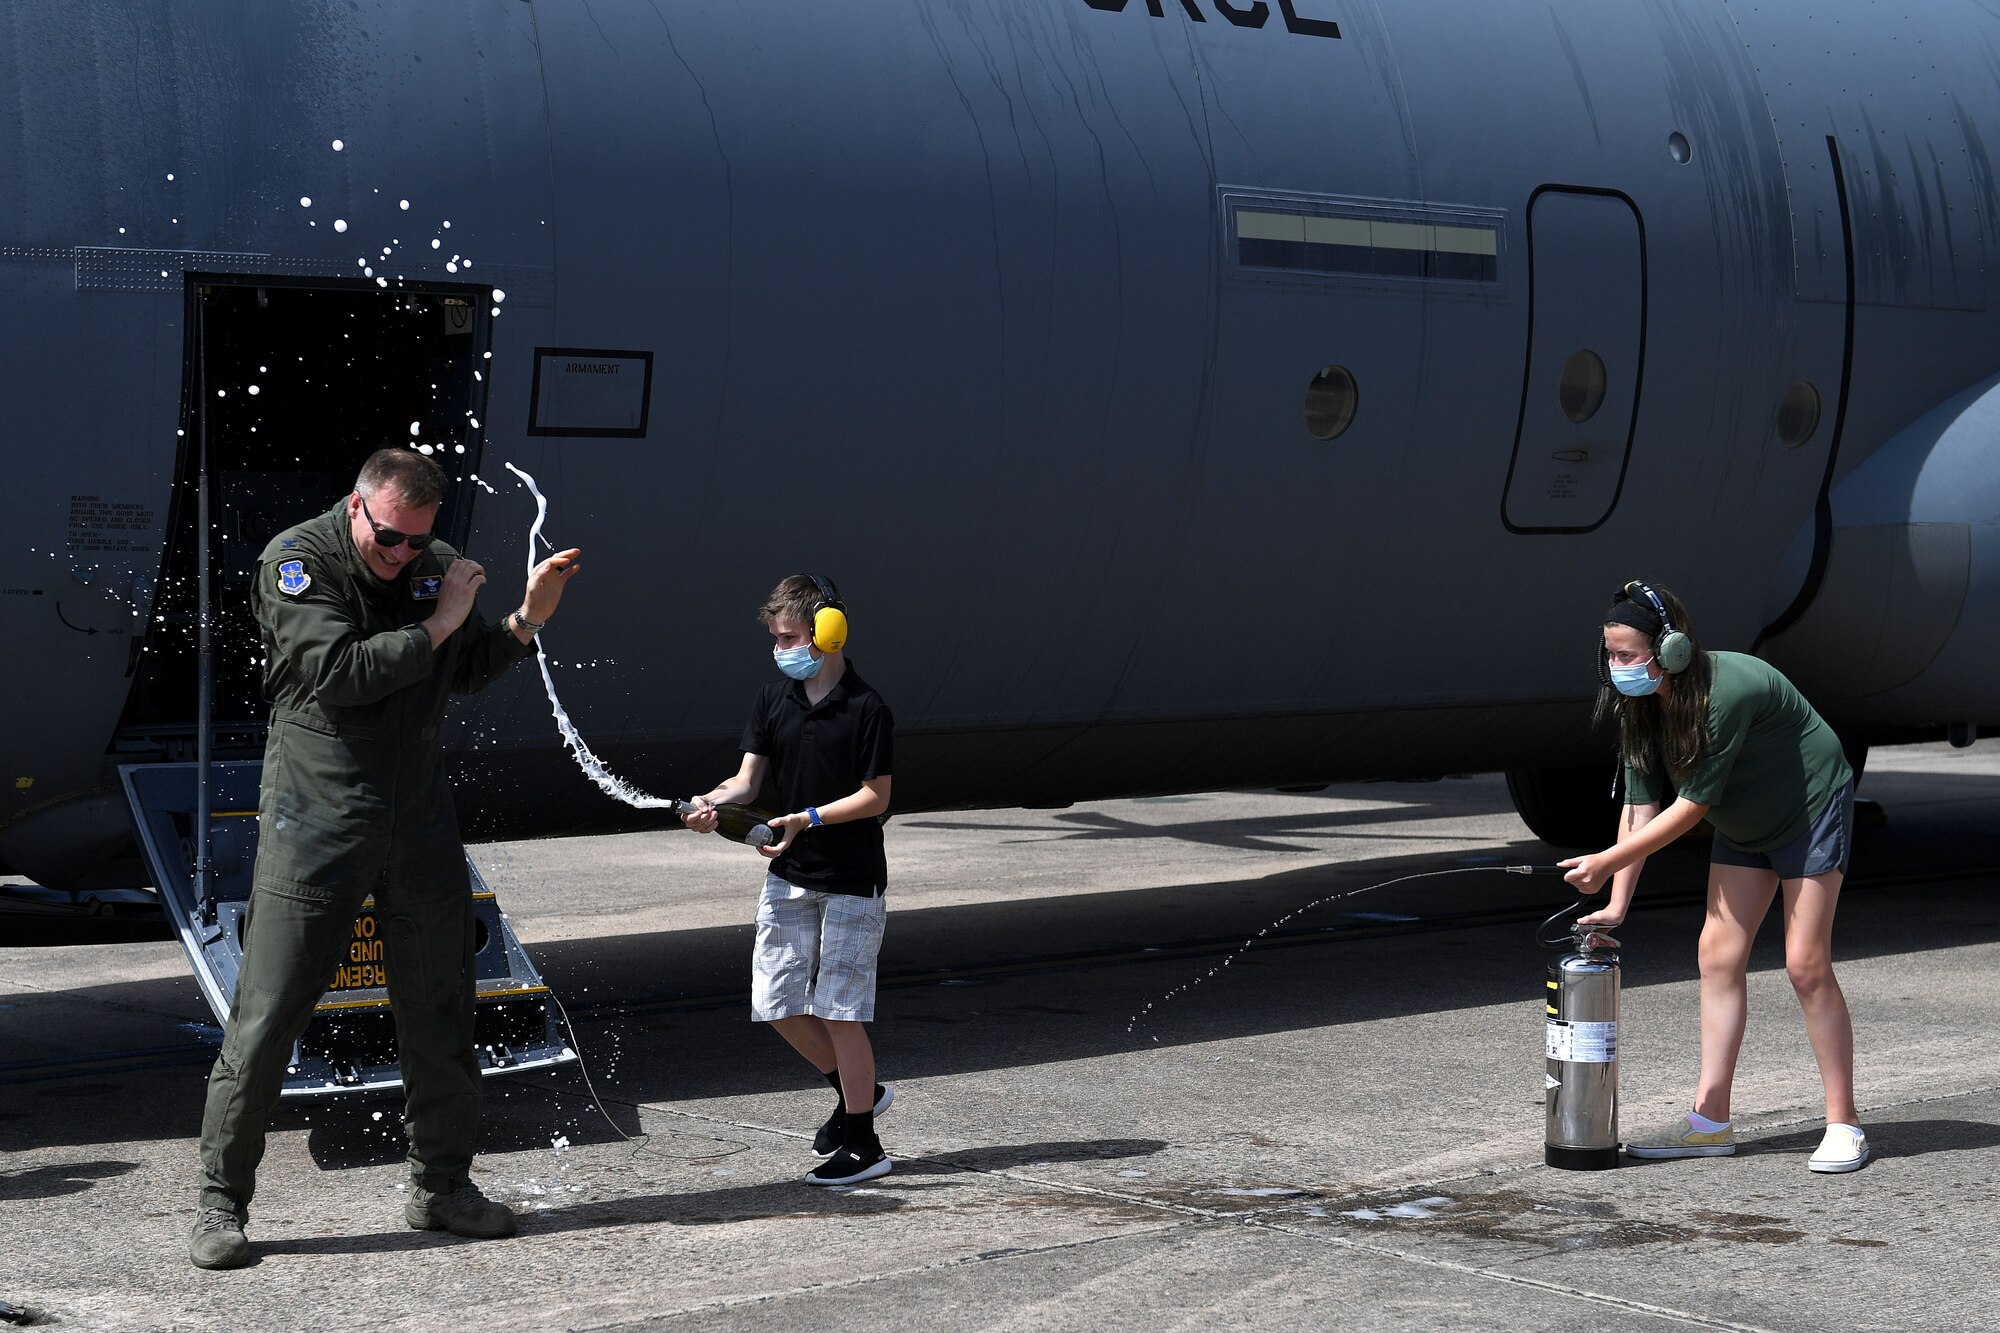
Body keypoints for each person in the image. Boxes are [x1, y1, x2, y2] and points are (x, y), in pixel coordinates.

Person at [189, 448, 583, 1270]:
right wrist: (438, 622)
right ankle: (220, 1202)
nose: (404, 554)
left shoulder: (432, 561)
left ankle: (440, 1185)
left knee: (441, 1007)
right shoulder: (297, 561)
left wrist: (524, 620)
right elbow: (337, 672)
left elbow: (464, 667)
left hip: (418, 819)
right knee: (267, 1016)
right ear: (358, 505)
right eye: (391, 538)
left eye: (418, 541)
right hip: (317, 817)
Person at [1559, 580, 1865, 1173]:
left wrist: (1604, 863)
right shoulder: (1641, 708)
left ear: (1670, 650)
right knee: (1718, 958)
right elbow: (1639, 807)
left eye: (1627, 655)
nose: (1617, 668)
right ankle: (1711, 1123)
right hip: (1745, 820)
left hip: (1808, 807)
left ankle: (1844, 1123)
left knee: (1805, 963)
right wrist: (1618, 901)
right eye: (1611, 655)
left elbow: (1691, 808)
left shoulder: (1729, 690)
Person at [680, 573, 896, 1186]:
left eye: (791, 636)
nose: (782, 648)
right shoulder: (773, 700)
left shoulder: (866, 707)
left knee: (839, 1011)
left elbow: (876, 797)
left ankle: (864, 1145)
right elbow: (746, 782)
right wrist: (710, 802)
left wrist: (808, 817)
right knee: (775, 1003)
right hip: (790, 874)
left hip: (851, 878)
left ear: (827, 632)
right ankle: (859, 1092)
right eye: (775, 639)